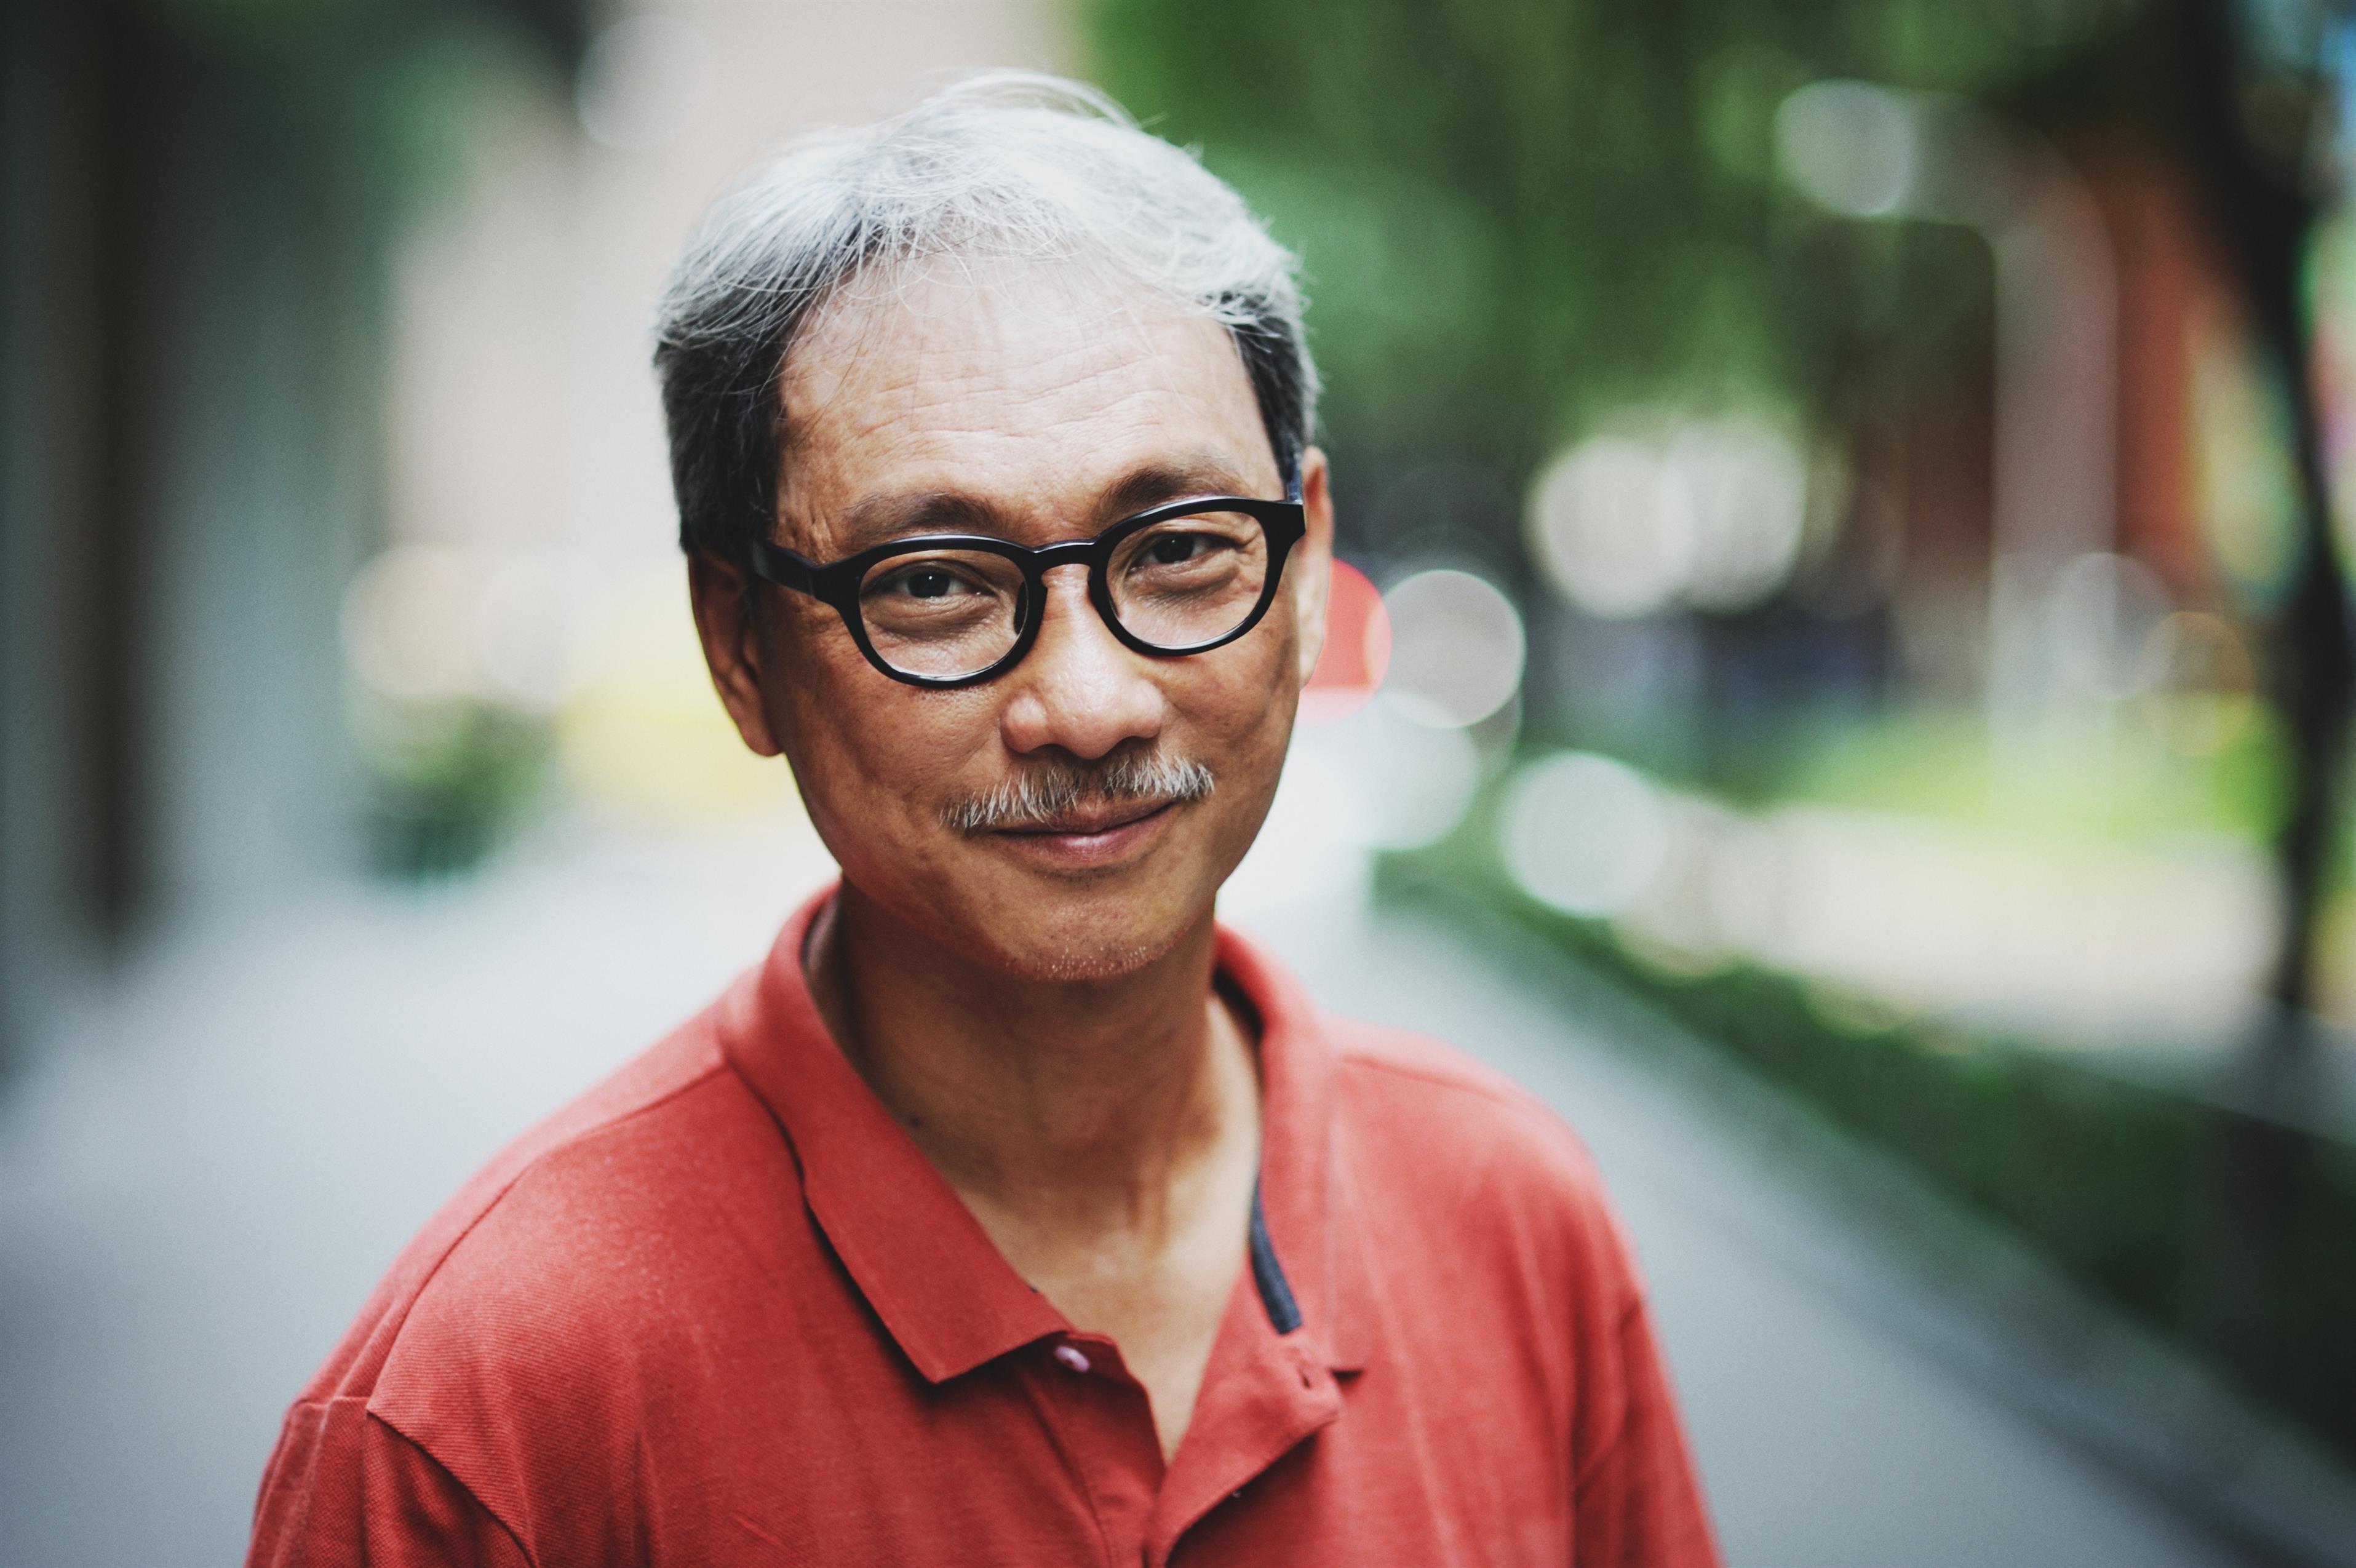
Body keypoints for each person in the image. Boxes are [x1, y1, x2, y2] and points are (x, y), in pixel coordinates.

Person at [247, 73, 1719, 1568]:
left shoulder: (1510, 1223)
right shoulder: (485, 1413)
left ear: (1302, 568)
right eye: (935, 581)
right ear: (739, 645)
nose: (1088, 703)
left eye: (1181, 551)